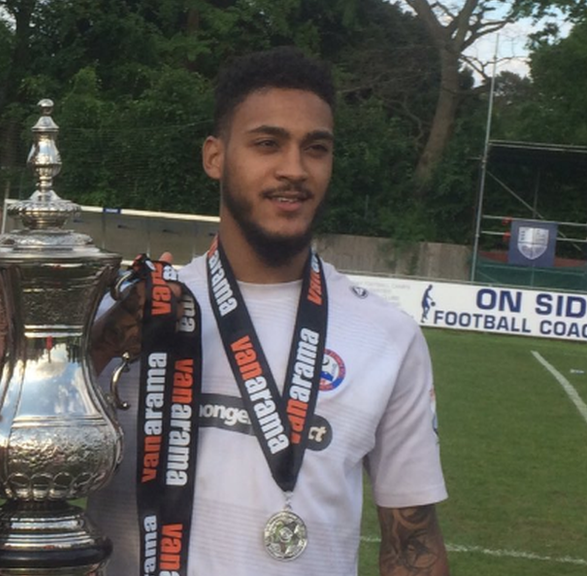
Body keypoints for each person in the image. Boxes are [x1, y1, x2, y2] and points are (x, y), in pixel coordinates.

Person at [87, 47, 449, 576]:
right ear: (215, 156)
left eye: (316, 148)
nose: (294, 170)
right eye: (267, 144)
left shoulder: (388, 336)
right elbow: (10, 452)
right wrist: (99, 343)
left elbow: (412, 545)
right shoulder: (127, 312)